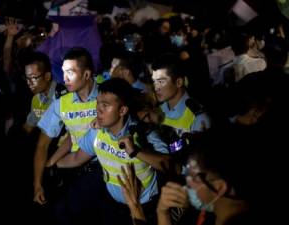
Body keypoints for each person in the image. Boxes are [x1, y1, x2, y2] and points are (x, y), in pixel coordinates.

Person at [56, 78, 169, 225]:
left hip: (145, 209)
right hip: (113, 207)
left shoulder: (143, 134)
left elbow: (169, 164)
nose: (98, 109)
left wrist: (137, 152)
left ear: (122, 110)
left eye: (105, 105)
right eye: (97, 103)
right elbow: (77, 157)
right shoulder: (97, 132)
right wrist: (52, 165)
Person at [119, 127, 259, 225]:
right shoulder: (207, 210)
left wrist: (136, 209)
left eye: (193, 177)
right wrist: (163, 213)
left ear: (220, 187)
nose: (186, 182)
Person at [33, 47, 100, 224]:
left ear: (87, 74)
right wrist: (38, 183)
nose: (65, 78)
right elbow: (42, 145)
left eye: (71, 72)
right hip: (73, 170)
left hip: (106, 169)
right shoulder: (61, 103)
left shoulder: (106, 97)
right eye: (63, 72)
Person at [151, 54, 211, 137]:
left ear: (179, 82)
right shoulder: (157, 111)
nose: (156, 88)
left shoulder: (198, 118)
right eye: (154, 82)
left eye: (161, 82)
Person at [23, 51, 57, 133]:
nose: (28, 82)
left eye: (33, 78)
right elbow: (28, 127)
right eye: (27, 78)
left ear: (47, 76)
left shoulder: (61, 97)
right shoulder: (36, 99)